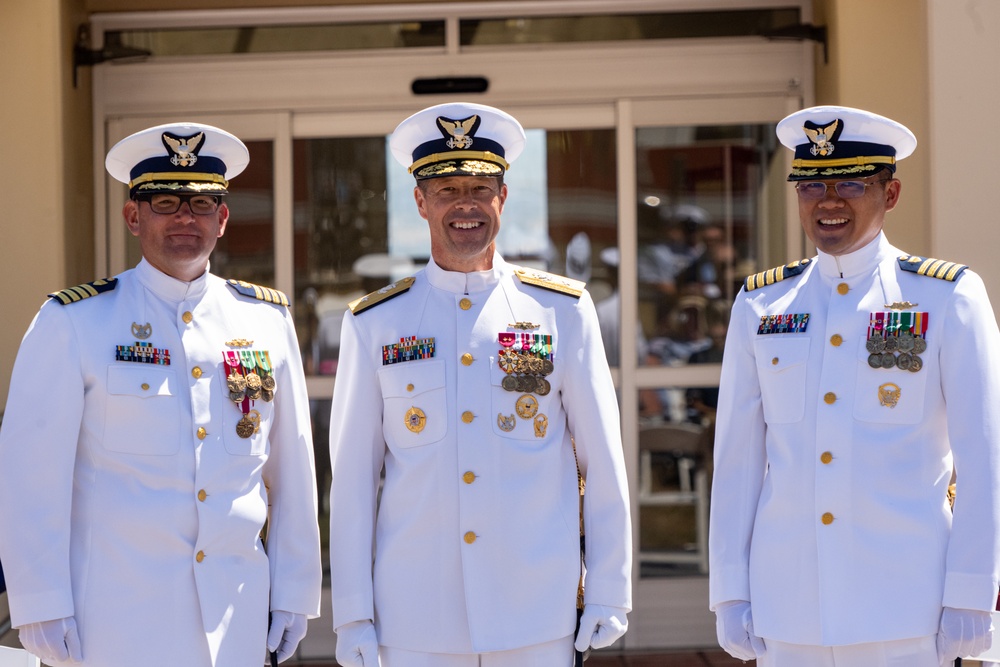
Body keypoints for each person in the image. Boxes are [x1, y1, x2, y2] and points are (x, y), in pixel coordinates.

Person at [0, 122, 322, 667]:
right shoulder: (75, 321)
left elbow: (291, 471)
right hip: (115, 619)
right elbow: (31, 476)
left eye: (201, 204)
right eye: (165, 202)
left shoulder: (265, 320)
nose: (184, 219)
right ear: (133, 216)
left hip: (234, 615)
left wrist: (295, 591)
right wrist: (39, 603)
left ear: (222, 219)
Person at [328, 102, 632, 666]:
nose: (465, 205)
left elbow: (602, 463)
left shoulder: (560, 310)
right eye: (447, 190)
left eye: (480, 187)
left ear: (503, 197)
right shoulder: (374, 323)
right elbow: (351, 482)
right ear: (420, 201)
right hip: (416, 618)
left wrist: (610, 588)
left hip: (535, 611)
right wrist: (352, 613)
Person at [708, 105, 1000, 666]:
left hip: (908, 609)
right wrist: (731, 589)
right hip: (790, 608)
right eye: (812, 186)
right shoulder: (763, 303)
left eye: (850, 183)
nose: (829, 202)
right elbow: (738, 460)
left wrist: (974, 593)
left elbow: (985, 459)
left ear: (889, 195)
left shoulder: (947, 298)